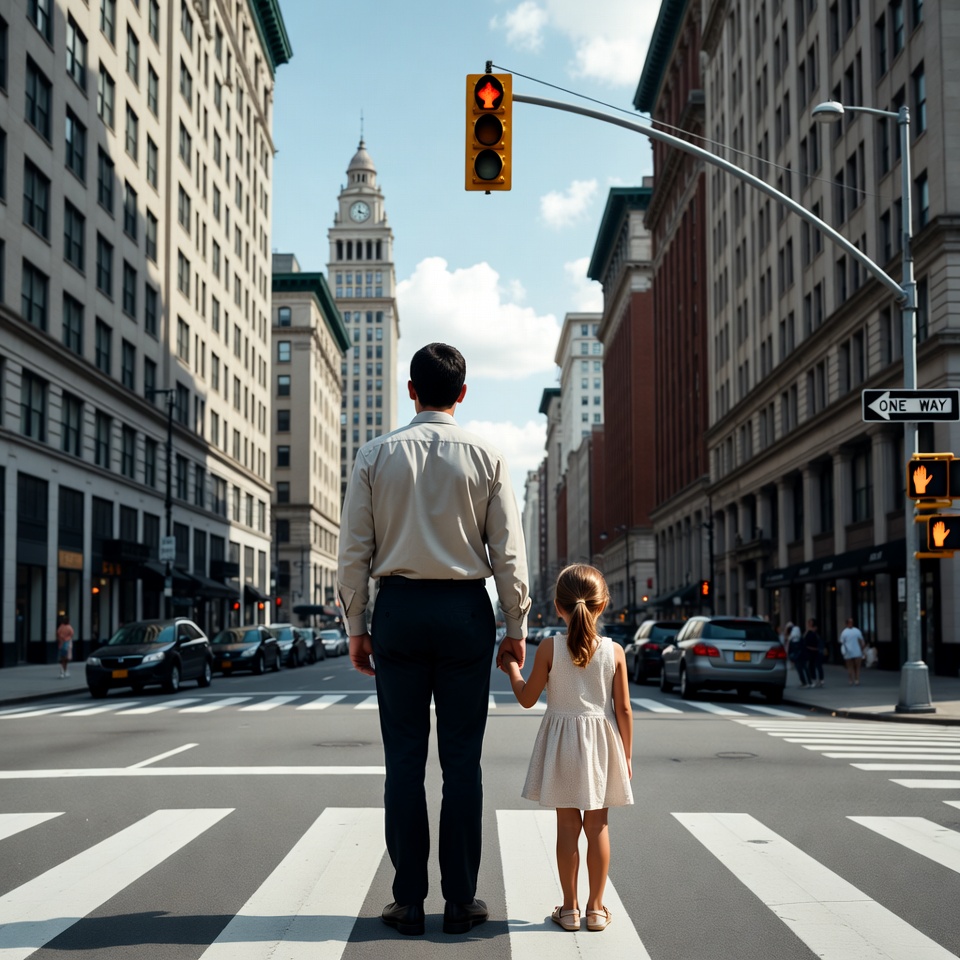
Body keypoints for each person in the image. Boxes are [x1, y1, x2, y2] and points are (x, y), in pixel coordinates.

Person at [337, 343, 530, 937]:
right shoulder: (488, 455)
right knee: (462, 761)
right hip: (465, 611)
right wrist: (516, 628)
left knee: (403, 761)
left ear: (412, 391)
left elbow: (353, 553)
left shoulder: (375, 454)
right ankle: (461, 900)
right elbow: (510, 555)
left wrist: (357, 627)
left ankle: (408, 901)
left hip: (398, 608)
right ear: (463, 393)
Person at [500, 564, 633, 934]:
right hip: (603, 744)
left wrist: (512, 668)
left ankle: (570, 909)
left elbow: (527, 698)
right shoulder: (614, 651)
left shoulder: (549, 648)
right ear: (603, 605)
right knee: (598, 827)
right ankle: (596, 908)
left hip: (561, 743)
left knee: (567, 828)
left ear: (558, 607)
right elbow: (622, 708)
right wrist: (627, 755)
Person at [839, 617, 866, 685]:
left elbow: (842, 642)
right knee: (855, 667)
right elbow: (862, 641)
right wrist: (862, 649)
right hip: (855, 651)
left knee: (852, 667)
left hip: (851, 652)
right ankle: (855, 679)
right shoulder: (856, 631)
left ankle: (853, 680)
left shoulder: (845, 632)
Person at [803, 618, 824, 687]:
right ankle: (813, 679)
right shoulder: (808, 631)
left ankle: (821, 679)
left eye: (811, 622)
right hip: (809, 650)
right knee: (811, 665)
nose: (809, 624)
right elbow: (804, 638)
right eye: (809, 622)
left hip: (816, 650)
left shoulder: (815, 630)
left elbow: (818, 639)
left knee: (818, 665)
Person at [785, 621, 806, 687]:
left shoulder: (793, 638)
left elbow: (789, 647)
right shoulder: (795, 637)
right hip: (798, 654)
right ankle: (803, 681)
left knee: (800, 668)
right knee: (800, 668)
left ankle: (803, 681)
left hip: (797, 654)